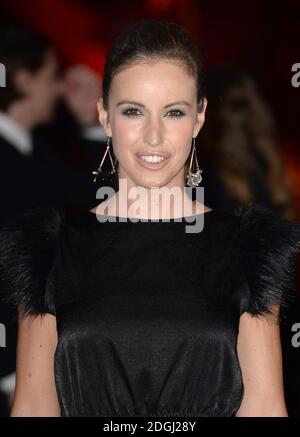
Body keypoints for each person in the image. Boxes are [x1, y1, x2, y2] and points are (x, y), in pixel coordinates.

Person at [0, 20, 300, 417]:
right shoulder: (50, 251)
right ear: (105, 116)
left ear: (199, 117)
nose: (154, 137)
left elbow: (263, 407)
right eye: (133, 112)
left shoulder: (248, 249)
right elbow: (34, 408)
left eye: (174, 112)